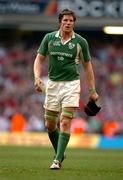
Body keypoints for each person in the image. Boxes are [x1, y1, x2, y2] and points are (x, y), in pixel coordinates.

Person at [33, 9, 99, 170]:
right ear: (60, 22)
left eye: (71, 21)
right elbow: (39, 59)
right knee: (49, 125)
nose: (68, 23)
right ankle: (60, 153)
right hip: (53, 85)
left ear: (74, 23)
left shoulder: (80, 42)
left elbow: (88, 67)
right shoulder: (49, 38)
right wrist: (36, 77)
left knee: (65, 121)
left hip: (71, 85)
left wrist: (92, 91)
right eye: (65, 20)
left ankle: (57, 161)